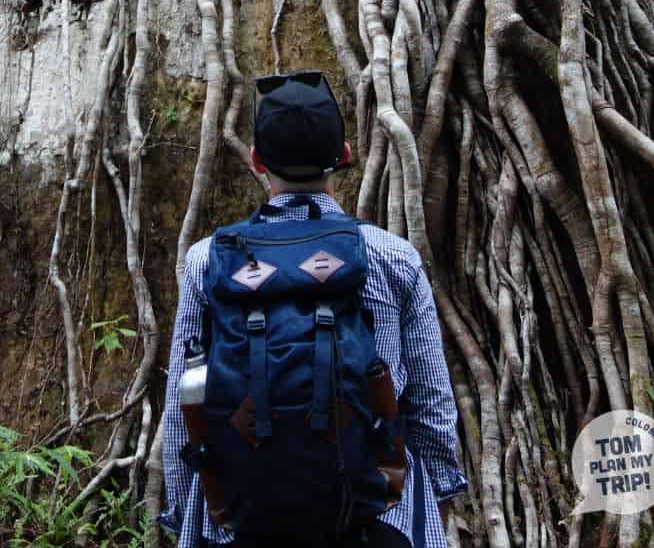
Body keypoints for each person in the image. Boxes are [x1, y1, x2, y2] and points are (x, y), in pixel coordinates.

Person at [160, 70, 467, 548]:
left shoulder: (208, 262)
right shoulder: (392, 257)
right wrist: (438, 501)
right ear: (343, 156)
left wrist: (184, 516)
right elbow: (430, 406)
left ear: (257, 161)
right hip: (375, 516)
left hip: (242, 518)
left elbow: (186, 408)